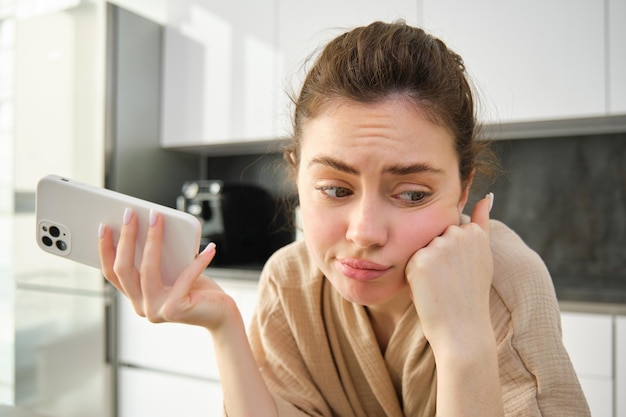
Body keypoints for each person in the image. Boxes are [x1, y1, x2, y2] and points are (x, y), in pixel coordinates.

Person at [98, 20, 590, 416]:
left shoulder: (503, 283)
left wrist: (465, 348)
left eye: (413, 194)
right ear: (297, 178)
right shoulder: (291, 282)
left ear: (464, 189)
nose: (365, 233)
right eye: (335, 189)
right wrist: (223, 325)